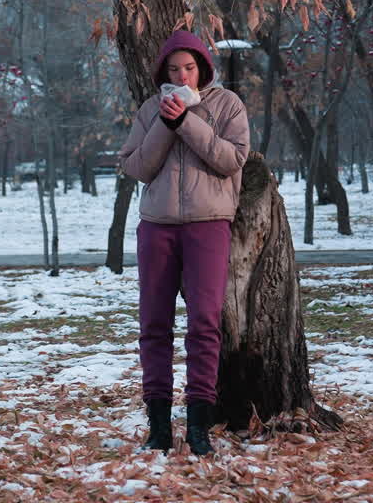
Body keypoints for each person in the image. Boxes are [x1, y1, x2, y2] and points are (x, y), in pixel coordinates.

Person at [117, 29, 250, 456]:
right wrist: (164, 122)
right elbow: (136, 167)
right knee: (153, 327)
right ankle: (158, 427)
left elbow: (232, 159)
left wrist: (186, 122)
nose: (182, 75)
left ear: (203, 67)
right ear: (163, 72)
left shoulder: (227, 105)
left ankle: (198, 427)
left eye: (189, 67)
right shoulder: (149, 110)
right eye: (174, 69)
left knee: (204, 326)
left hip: (208, 227)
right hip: (156, 227)